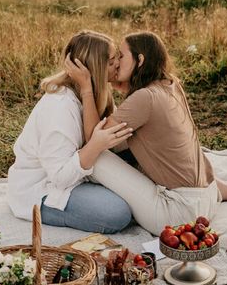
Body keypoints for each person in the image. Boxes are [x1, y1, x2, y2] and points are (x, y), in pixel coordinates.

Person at [66, 31, 227, 236]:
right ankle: (221, 189)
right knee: (135, 148)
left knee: (96, 156)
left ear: (140, 60)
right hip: (206, 198)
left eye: (121, 56)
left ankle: (74, 194)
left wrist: (86, 87)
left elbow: (94, 138)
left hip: (177, 216)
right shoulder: (170, 84)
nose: (117, 62)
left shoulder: (145, 98)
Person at [7, 30, 133, 233]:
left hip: (79, 174)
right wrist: (96, 145)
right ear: (94, 69)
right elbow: (59, 177)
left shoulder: (94, 92)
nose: (118, 63)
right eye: (110, 62)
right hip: (44, 190)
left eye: (117, 56)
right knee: (117, 212)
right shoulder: (60, 106)